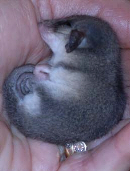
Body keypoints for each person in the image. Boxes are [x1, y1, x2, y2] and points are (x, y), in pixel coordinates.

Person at [0, 0, 130, 170]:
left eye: (65, 25)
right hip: (42, 114)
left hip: (40, 110)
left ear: (76, 40)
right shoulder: (93, 70)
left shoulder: (80, 64)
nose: (45, 26)